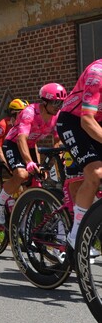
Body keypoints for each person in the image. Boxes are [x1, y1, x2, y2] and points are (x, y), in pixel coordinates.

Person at [0, 83, 67, 225]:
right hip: (13, 143)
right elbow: (21, 139)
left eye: (61, 103)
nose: (59, 106)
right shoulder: (30, 112)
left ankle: (24, 226)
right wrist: (29, 162)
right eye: (56, 102)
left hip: (31, 146)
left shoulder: (56, 116)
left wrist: (58, 161)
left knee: (37, 187)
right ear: (44, 102)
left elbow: (57, 140)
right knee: (22, 174)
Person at [56, 59, 102, 251]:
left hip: (97, 124)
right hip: (74, 122)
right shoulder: (97, 73)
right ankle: (76, 234)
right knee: (96, 173)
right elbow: (86, 121)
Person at [0, 98, 29, 186]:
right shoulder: (3, 125)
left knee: (21, 177)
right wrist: (7, 165)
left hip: (9, 150)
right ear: (14, 113)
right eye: (22, 113)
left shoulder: (23, 125)